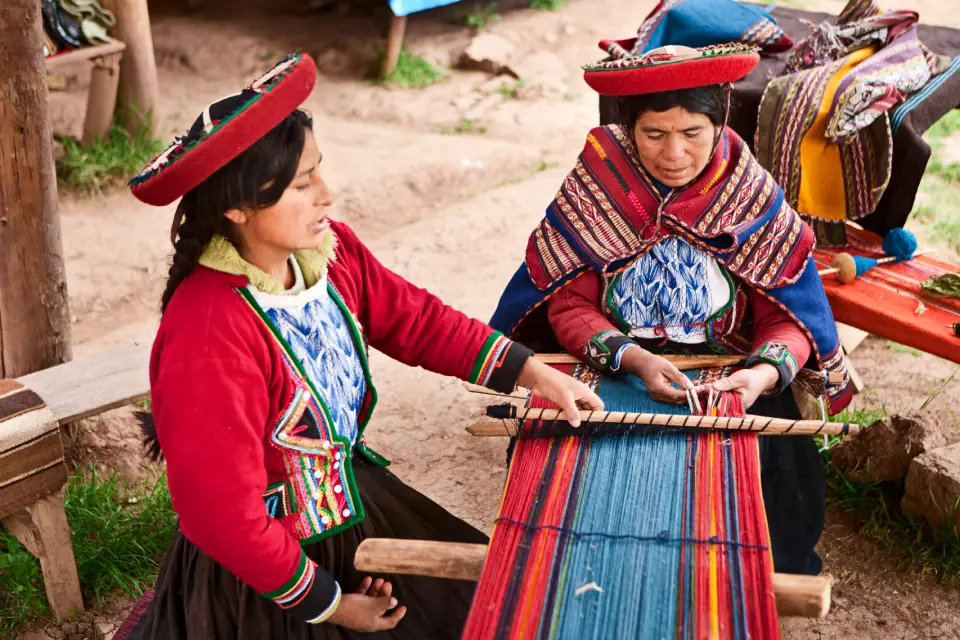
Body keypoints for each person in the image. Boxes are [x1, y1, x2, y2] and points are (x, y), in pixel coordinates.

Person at [121, 53, 603, 639]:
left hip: (351, 505)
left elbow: (417, 320)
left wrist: (533, 374)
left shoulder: (330, 255)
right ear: (235, 206)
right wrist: (331, 604)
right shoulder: (208, 330)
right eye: (302, 184)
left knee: (502, 607)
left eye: (319, 170)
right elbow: (221, 517)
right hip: (262, 575)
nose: (327, 195)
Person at [490, 43, 853, 576]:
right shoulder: (599, 187)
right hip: (618, 362)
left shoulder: (748, 196)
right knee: (556, 469)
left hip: (729, 368)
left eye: (692, 134)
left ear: (719, 122)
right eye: (654, 134)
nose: (674, 154)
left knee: (780, 480)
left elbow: (788, 314)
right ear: (627, 128)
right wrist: (634, 360)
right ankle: (588, 574)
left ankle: (750, 581)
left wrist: (759, 376)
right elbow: (568, 303)